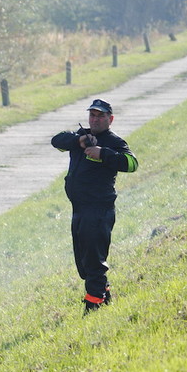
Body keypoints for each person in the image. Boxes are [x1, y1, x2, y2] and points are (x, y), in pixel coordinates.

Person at [51, 99, 138, 313]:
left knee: (94, 261)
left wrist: (103, 154)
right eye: (92, 115)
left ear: (110, 119)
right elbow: (56, 140)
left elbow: (132, 164)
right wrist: (79, 140)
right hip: (79, 209)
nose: (96, 119)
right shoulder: (82, 137)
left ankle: (93, 306)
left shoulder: (114, 142)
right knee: (83, 262)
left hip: (99, 210)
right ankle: (104, 294)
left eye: (100, 116)